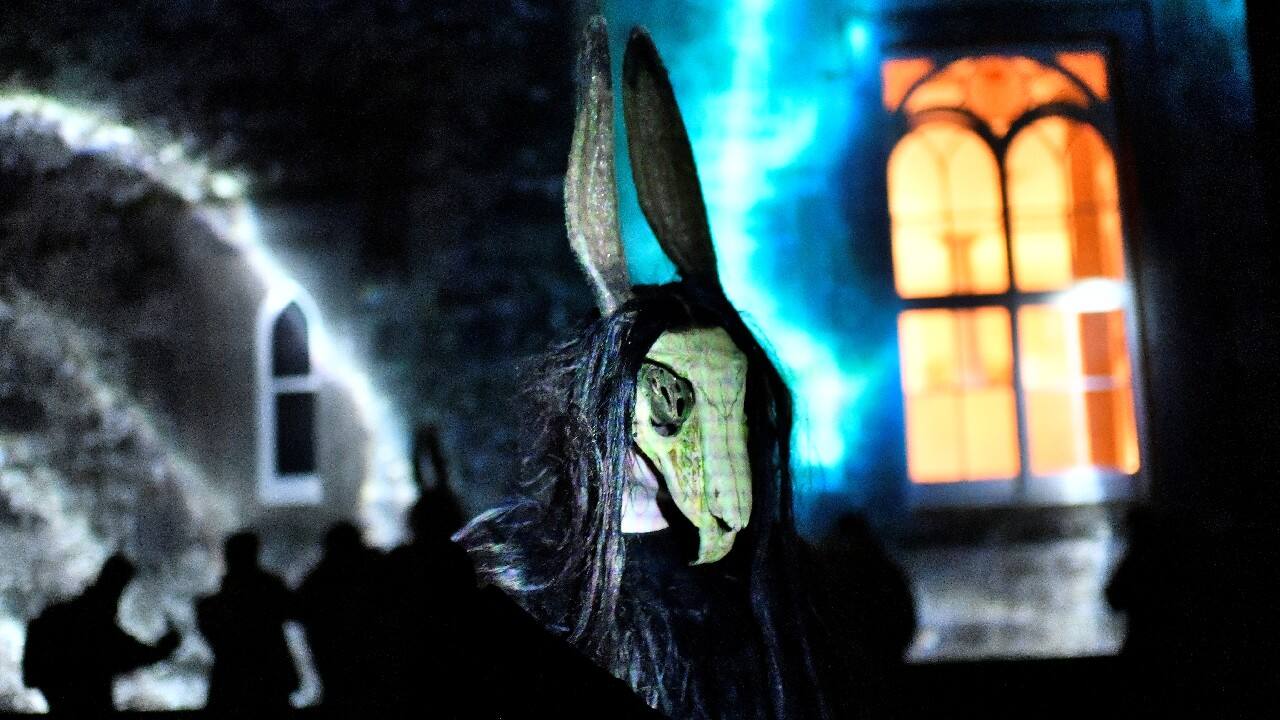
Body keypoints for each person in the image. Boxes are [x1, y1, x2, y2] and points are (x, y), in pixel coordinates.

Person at [456, 18, 869, 719]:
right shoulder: (513, 576)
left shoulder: (773, 584)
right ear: (608, 404)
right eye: (674, 398)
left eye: (727, 397)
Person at [23, 553, 180, 714]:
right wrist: (167, 646)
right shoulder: (99, 630)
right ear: (118, 589)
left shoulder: (56, 617)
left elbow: (30, 677)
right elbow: (138, 654)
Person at [197, 532, 298, 713]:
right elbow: (295, 611)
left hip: (231, 684)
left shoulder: (211, 607)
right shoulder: (272, 593)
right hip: (272, 680)